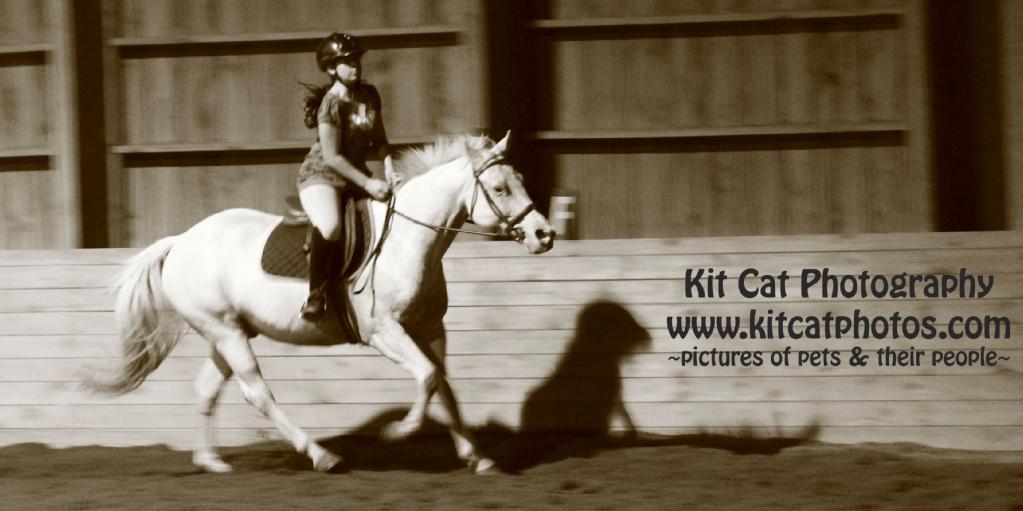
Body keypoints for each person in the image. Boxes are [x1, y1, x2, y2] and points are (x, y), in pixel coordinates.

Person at [296, 32, 392, 320]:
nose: (355, 66)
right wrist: (368, 183)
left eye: (356, 60)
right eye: (347, 62)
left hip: (355, 177)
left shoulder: (369, 95)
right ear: (331, 68)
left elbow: (379, 139)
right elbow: (332, 157)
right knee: (331, 227)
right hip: (321, 176)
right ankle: (315, 296)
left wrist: (390, 168)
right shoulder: (331, 104)